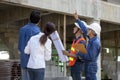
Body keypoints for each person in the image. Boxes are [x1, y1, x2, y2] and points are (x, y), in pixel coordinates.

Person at [73, 12, 101, 80]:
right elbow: (84, 29)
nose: (87, 30)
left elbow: (90, 57)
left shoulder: (95, 43)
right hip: (89, 66)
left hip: (91, 67)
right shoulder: (91, 38)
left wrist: (79, 52)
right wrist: (77, 19)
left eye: (89, 29)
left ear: (92, 31)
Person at [18, 10, 41, 80]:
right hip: (33, 63)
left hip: (24, 61)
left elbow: (19, 47)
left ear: (30, 18)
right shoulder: (37, 31)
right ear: (38, 21)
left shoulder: (22, 29)